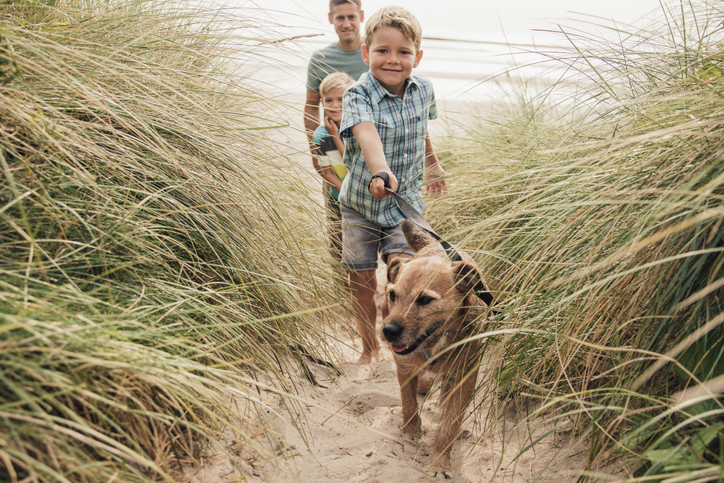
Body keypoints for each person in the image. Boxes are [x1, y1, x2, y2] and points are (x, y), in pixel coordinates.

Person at [337, 6, 446, 364]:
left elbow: (421, 131)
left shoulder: (424, 89)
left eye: (403, 52)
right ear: (366, 53)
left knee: (405, 272)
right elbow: (366, 134)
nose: (393, 60)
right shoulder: (357, 94)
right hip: (360, 204)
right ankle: (369, 347)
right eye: (382, 51)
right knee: (362, 278)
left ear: (417, 56)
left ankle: (403, 331)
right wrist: (380, 171)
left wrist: (431, 163)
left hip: (405, 203)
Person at [304, 0, 368, 179]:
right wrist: (315, 150)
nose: (346, 24)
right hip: (332, 150)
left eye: (351, 17)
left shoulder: (374, 54)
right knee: (335, 202)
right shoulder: (320, 59)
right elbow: (311, 105)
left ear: (361, 17)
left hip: (369, 151)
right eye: (340, 18)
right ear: (331, 18)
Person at [312, 72, 355, 267]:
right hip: (337, 198)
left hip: (362, 196)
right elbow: (327, 173)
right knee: (337, 243)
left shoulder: (358, 128)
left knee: (358, 244)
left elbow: (353, 162)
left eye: (341, 99)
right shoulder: (321, 135)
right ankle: (339, 286)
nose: (335, 105)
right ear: (322, 103)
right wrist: (346, 194)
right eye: (328, 100)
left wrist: (336, 136)